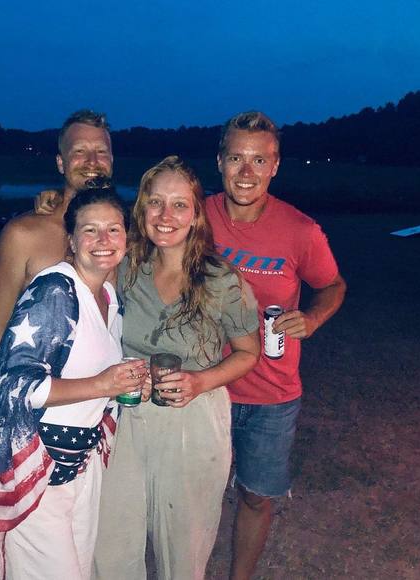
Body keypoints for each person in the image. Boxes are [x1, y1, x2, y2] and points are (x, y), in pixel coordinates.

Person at [92, 156, 261, 580]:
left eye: (179, 204)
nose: (165, 215)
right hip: (124, 416)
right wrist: (55, 203)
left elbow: (248, 353)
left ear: (196, 214)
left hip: (194, 420)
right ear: (141, 208)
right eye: (155, 202)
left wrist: (201, 381)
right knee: (110, 545)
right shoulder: (123, 267)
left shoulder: (223, 280)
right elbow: (77, 238)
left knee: (182, 552)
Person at [0, 188, 147, 580]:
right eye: (90, 230)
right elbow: (12, 385)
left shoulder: (108, 296)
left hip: (82, 465)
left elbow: (93, 374)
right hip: (38, 468)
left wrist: (124, 385)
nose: (103, 240)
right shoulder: (55, 291)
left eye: (113, 229)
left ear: (126, 238)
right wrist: (102, 384)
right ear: (72, 241)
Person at [205, 111, 347, 580]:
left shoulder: (300, 230)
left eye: (259, 160)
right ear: (220, 161)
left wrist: (313, 317)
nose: (246, 172)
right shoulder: (195, 216)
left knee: (255, 496)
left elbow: (334, 286)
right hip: (206, 386)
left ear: (275, 166)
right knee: (195, 492)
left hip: (272, 394)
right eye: (236, 158)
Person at [0, 109, 114, 379]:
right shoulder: (22, 234)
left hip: (107, 392)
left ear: (111, 161)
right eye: (79, 151)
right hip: (39, 393)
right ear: (61, 163)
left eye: (101, 152)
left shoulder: (125, 237)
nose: (92, 161)